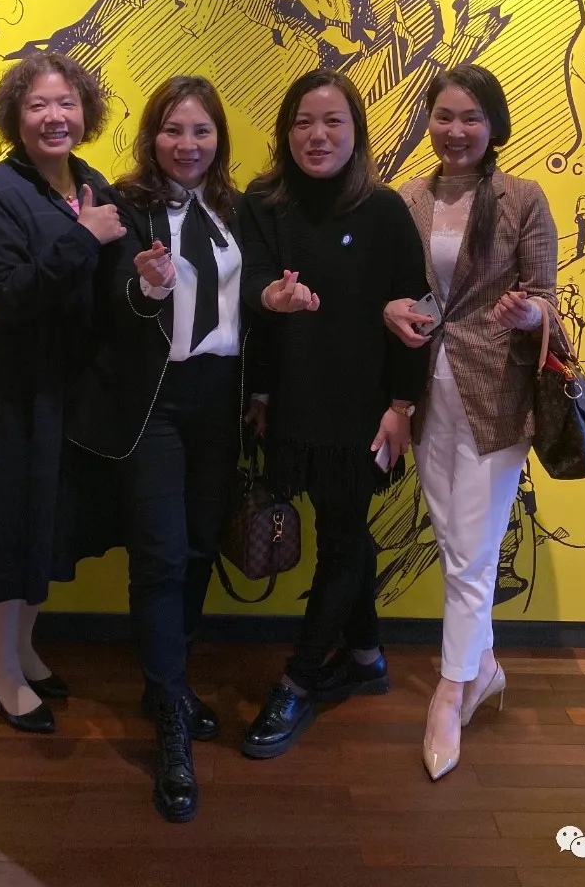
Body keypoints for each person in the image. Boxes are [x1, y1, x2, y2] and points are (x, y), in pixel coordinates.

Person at [68, 75, 252, 824]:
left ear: (219, 139)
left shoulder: (237, 208)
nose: (188, 144)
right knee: (161, 556)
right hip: (156, 403)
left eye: (201, 130)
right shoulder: (126, 205)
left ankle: (164, 683)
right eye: (174, 129)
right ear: (153, 137)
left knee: (203, 545)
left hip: (221, 399)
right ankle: (171, 721)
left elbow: (251, 295)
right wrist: (145, 290)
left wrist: (275, 304)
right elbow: (109, 308)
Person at [238, 68, 430, 760]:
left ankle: (297, 681)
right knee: (343, 531)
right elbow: (251, 283)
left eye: (332, 122)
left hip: (362, 409)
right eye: (303, 123)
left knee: (342, 541)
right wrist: (271, 309)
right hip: (292, 401)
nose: (317, 136)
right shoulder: (263, 203)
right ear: (285, 133)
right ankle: (368, 656)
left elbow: (415, 313)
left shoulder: (383, 210)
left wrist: (401, 407)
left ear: (356, 133)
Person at [384, 64, 558, 781]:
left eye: (470, 118)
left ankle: (451, 692)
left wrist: (530, 312)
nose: (455, 131)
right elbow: (393, 292)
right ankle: (482, 664)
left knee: (472, 551)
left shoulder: (523, 197)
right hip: (426, 394)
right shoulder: (407, 199)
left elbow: (547, 296)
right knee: (456, 540)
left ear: (493, 126)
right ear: (428, 120)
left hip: (497, 397)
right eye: (444, 116)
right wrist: (388, 311)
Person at [0, 51, 126, 734]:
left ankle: (24, 649)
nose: (55, 117)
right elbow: (7, 294)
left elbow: (106, 283)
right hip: (17, 387)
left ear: (85, 113)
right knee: (6, 524)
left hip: (74, 386)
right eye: (38, 105)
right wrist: (82, 237)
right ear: (14, 117)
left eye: (66, 104)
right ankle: (1, 668)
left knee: (46, 523)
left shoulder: (92, 182)